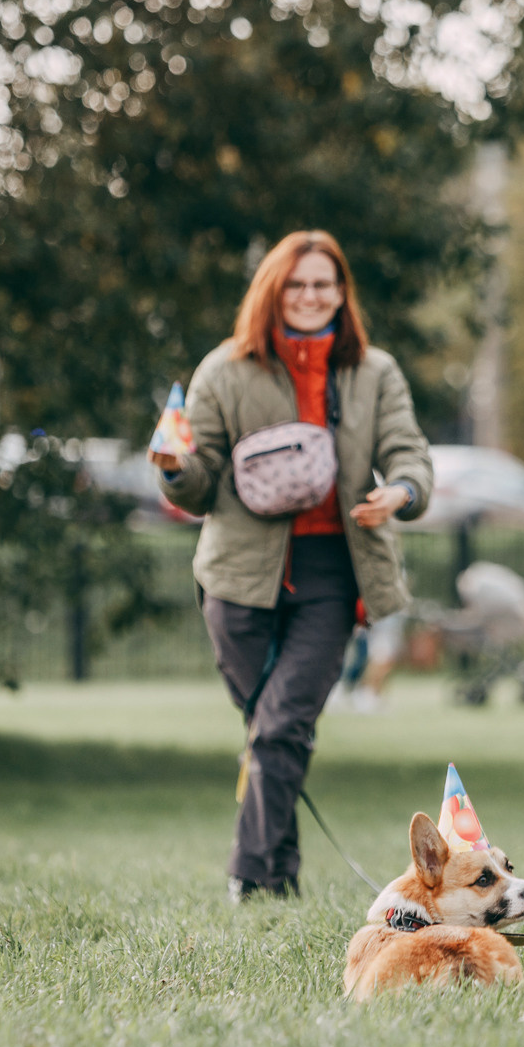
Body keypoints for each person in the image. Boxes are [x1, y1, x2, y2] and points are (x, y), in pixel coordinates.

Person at [152, 230, 432, 902]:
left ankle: (249, 875)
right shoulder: (224, 370)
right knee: (273, 731)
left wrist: (401, 490)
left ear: (341, 293)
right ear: (273, 291)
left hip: (332, 571)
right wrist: (174, 469)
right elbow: (198, 482)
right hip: (236, 575)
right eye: (297, 284)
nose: (310, 296)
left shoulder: (374, 371)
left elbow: (409, 450)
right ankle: (281, 873)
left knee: (281, 725)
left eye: (323, 284)